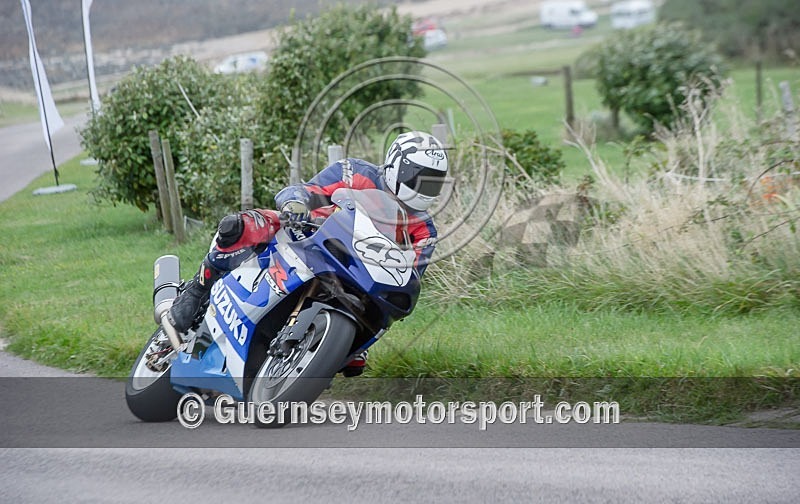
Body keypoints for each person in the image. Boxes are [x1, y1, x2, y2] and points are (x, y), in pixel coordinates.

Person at [164, 130, 449, 375]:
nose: (425, 187)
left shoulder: (425, 230)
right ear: (397, 165)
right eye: (419, 177)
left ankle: (340, 346)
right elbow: (306, 190)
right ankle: (198, 289)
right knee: (240, 226)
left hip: (359, 275)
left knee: (380, 316)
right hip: (312, 237)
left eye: (433, 181)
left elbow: (408, 276)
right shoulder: (356, 172)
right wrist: (296, 204)